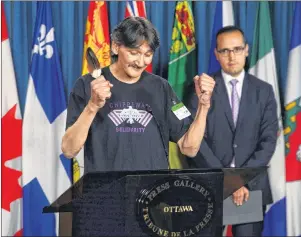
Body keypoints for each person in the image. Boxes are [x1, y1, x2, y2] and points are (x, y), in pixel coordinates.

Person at [61, 16, 215, 173]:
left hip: (153, 194)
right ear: (115, 46)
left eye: (148, 54)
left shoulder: (161, 88)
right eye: (134, 53)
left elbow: (189, 148)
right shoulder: (86, 86)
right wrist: (92, 106)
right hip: (105, 194)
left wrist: (204, 106)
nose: (141, 62)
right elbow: (69, 150)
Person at [186, 26, 278, 236]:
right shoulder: (200, 89)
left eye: (237, 49)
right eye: (225, 51)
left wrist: (241, 181)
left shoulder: (264, 90)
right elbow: (195, 141)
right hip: (211, 187)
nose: (232, 56)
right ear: (216, 54)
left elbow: (268, 140)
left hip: (251, 188)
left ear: (246, 50)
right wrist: (228, 181)